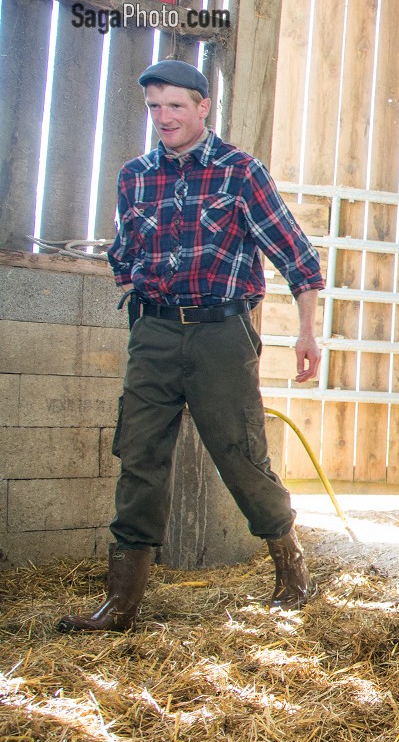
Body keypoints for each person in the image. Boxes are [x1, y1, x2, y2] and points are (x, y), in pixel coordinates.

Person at [59, 59, 326, 632]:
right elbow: (124, 252)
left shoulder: (239, 172)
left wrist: (308, 331)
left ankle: (291, 571)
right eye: (154, 107)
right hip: (153, 331)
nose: (163, 118)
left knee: (240, 454)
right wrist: (134, 291)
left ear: (203, 107)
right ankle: (121, 603)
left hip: (220, 335)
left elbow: (296, 255)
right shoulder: (135, 175)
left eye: (175, 105)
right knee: (139, 455)